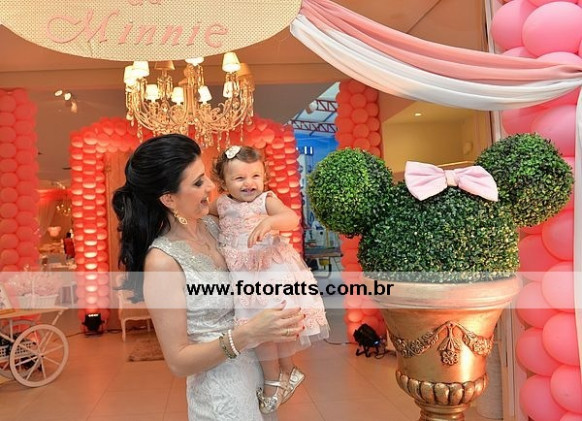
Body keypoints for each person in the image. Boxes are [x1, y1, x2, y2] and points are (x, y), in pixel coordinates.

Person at [112, 134, 304, 421]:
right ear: (168, 198)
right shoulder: (163, 261)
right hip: (221, 401)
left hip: (258, 383)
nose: (212, 186)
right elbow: (178, 361)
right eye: (198, 182)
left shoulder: (215, 227)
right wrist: (249, 333)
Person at [211, 145, 329, 414]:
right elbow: (204, 214)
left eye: (255, 176)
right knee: (263, 329)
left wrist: (270, 222)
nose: (249, 183)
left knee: (273, 327)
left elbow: (290, 217)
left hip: (269, 271)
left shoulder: (266, 199)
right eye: (239, 178)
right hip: (243, 274)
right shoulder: (222, 203)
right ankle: (287, 371)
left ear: (264, 176)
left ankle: (274, 381)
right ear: (224, 183)